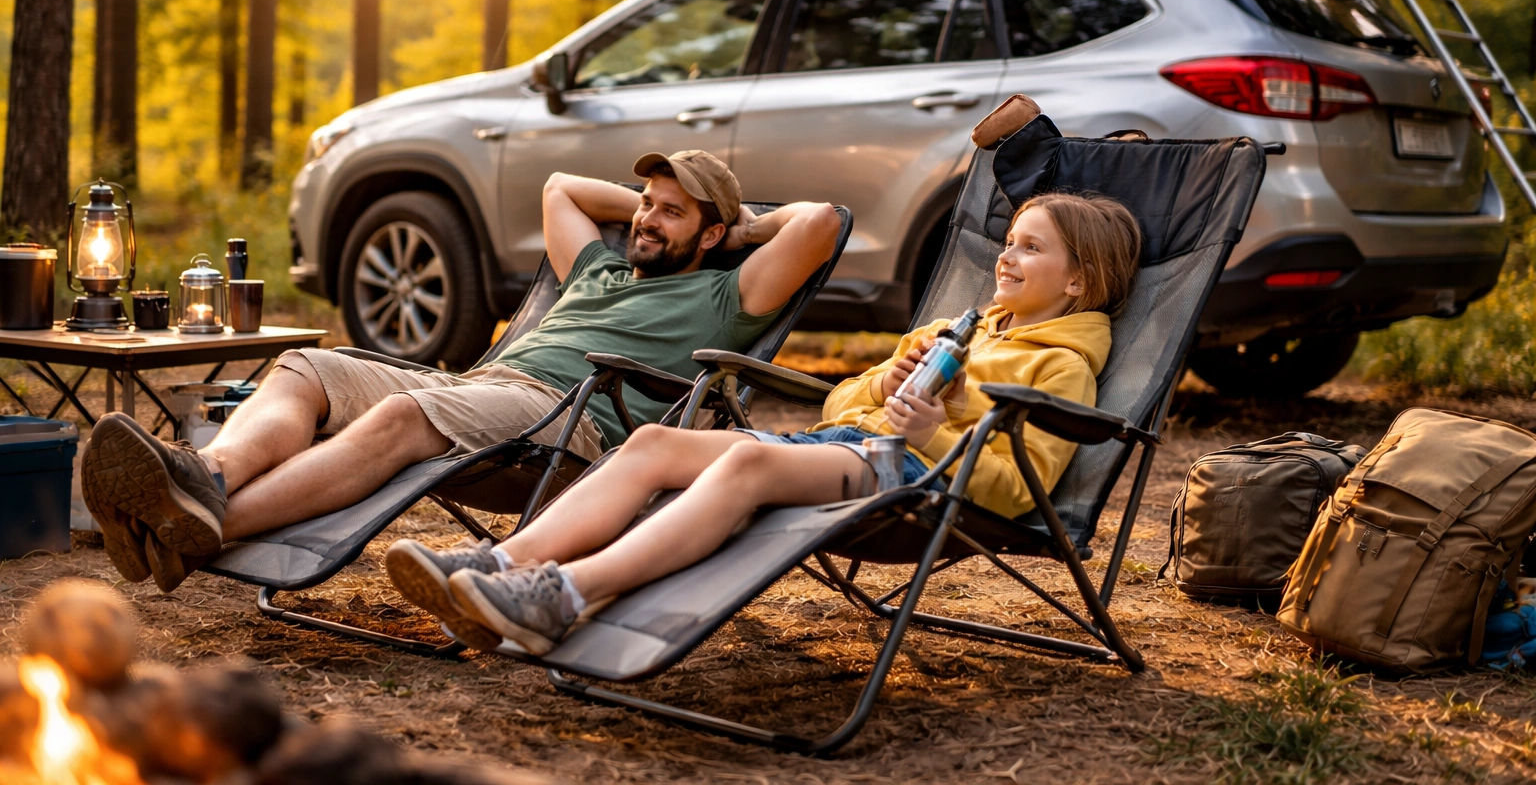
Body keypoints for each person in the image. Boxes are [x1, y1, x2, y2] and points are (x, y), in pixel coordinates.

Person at [385, 192, 1143, 655]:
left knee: (744, 468)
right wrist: (890, 377)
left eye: (1030, 248)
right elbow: (840, 403)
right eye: (1008, 241)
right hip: (856, 447)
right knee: (653, 444)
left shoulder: (1061, 368)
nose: (1007, 257)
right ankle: (499, 569)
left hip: (919, 476)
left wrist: (929, 436)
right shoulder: (964, 328)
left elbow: (1021, 492)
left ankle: (566, 594)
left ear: (1078, 280)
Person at [81, 150, 842, 592]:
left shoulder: (725, 292)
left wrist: (744, 228)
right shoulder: (598, 269)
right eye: (645, 203)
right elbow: (561, 188)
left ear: (712, 233)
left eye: (671, 213)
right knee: (307, 367)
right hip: (476, 388)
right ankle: (206, 478)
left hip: (560, 418)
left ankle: (194, 533)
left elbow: (821, 223)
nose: (644, 219)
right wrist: (660, 207)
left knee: (401, 420)